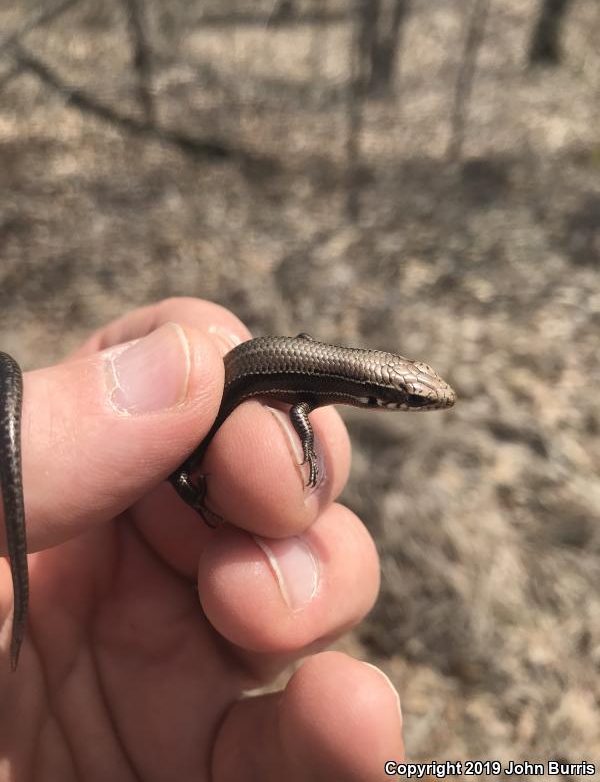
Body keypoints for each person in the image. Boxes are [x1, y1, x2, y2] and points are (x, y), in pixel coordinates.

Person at [1, 298, 404, 780]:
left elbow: (300, 365)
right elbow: (298, 412)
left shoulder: (316, 379)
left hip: (224, 399)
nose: (417, 406)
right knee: (201, 474)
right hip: (193, 426)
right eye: (412, 400)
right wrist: (307, 451)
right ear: (376, 395)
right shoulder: (314, 391)